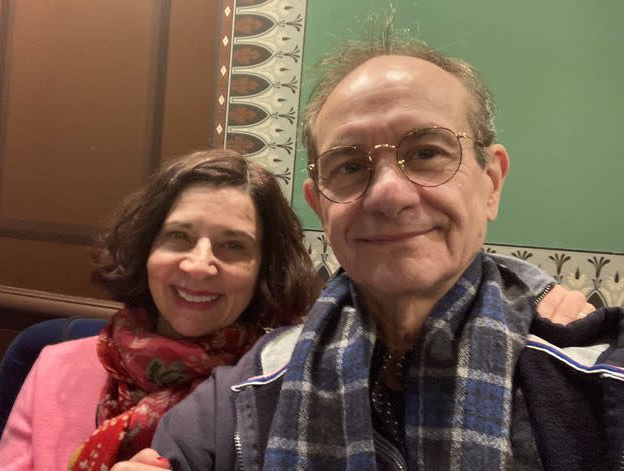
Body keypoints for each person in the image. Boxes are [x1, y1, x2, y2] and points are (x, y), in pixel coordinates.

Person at [114, 17, 622, 471]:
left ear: (491, 182)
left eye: (425, 152)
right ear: (320, 205)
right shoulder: (248, 391)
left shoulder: (594, 375)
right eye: (351, 166)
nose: (388, 194)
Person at [0, 149, 319, 470]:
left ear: (265, 269)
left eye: (233, 245)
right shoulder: (53, 367)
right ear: (145, 248)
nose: (198, 265)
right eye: (179, 236)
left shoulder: (283, 391)